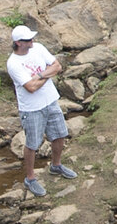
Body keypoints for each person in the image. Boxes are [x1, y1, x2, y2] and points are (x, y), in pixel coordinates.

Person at [5, 24, 74, 197]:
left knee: (59, 134)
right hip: (31, 108)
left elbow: (57, 66)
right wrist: (47, 73)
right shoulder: (13, 63)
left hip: (50, 100)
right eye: (28, 40)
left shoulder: (39, 49)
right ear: (18, 43)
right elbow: (30, 87)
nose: (32, 42)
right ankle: (30, 177)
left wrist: (41, 75)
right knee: (33, 144)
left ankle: (56, 165)